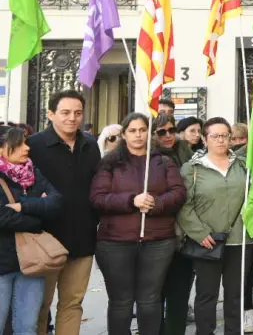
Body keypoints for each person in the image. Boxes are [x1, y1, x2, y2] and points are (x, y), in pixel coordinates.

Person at [90, 113, 187, 335]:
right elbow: (98, 198)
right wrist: (131, 200)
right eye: (132, 131)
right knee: (121, 301)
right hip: (115, 241)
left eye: (142, 130)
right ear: (124, 134)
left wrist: (157, 203)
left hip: (157, 240)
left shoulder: (163, 161)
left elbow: (178, 193)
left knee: (150, 300)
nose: (138, 135)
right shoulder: (110, 163)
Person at [28, 90, 101, 335]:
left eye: (78, 113)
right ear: (51, 114)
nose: (72, 118)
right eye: (65, 112)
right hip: (45, 239)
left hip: (82, 238)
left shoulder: (90, 144)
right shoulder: (34, 145)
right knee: (40, 306)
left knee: (72, 303)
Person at [179, 119, 251, 335]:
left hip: (239, 239)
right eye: (215, 136)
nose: (221, 140)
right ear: (204, 139)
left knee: (235, 295)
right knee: (206, 294)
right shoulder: (192, 168)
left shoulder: (242, 165)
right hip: (208, 240)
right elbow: (184, 206)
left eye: (225, 135)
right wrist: (199, 233)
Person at [0, 126, 63, 335]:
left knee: (27, 327)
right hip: (2, 262)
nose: (26, 148)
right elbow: (2, 217)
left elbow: (56, 203)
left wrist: (23, 206)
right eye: (18, 144)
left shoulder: (32, 171)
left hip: (32, 262)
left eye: (25, 143)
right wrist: (37, 217)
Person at [152, 115, 196, 335]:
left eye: (171, 130)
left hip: (184, 233)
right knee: (155, 294)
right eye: (162, 132)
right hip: (157, 233)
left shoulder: (186, 153)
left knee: (179, 294)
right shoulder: (147, 157)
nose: (168, 135)